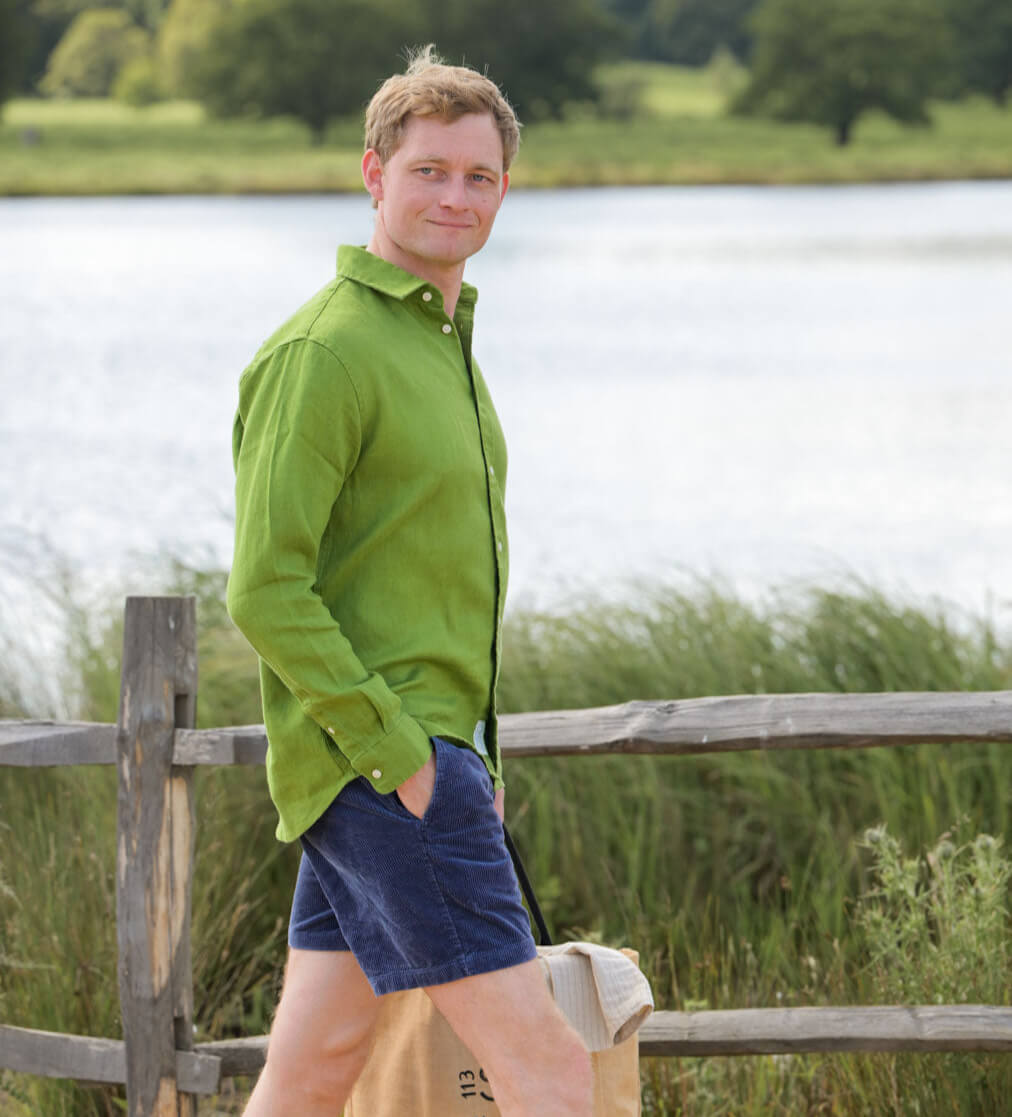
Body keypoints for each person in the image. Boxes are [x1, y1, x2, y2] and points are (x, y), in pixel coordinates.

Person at [226, 46, 593, 1117]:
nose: (454, 195)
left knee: (315, 1065)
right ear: (374, 173)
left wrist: (462, 752)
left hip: (413, 760)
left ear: (503, 193)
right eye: (430, 169)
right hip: (384, 766)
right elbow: (265, 587)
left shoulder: (439, 343)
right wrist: (408, 760)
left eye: (478, 177)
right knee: (551, 1069)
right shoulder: (324, 353)